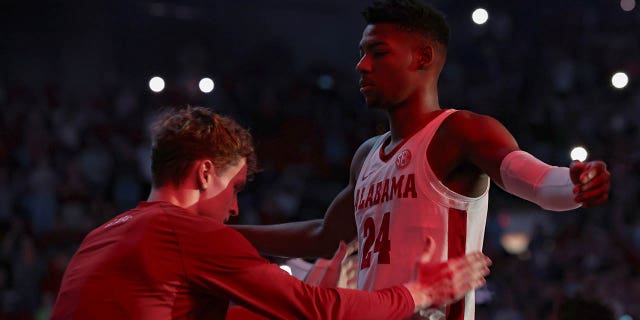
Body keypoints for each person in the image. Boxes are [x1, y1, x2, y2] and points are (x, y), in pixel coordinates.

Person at [233, 0, 611, 319]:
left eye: (378, 52)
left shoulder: (459, 130)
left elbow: (536, 181)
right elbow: (326, 236)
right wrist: (227, 235)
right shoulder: (366, 154)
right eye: (361, 53)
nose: (362, 65)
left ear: (423, 57)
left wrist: (574, 183)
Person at [49, 106, 492, 320]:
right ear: (205, 173)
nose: (236, 207)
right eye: (235, 188)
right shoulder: (187, 234)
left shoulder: (103, 234)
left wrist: (312, 284)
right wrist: (420, 292)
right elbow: (318, 312)